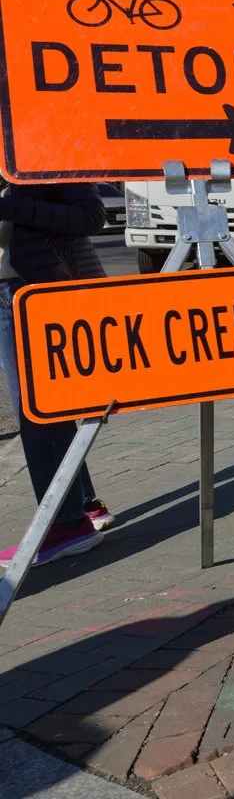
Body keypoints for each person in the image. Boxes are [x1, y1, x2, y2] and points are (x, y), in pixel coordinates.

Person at [0, 184, 112, 567]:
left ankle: (67, 526)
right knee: (49, 407)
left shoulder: (31, 142)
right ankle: (83, 505)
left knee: (38, 411)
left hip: (27, 289)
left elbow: (90, 216)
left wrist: (9, 207)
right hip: (12, 288)